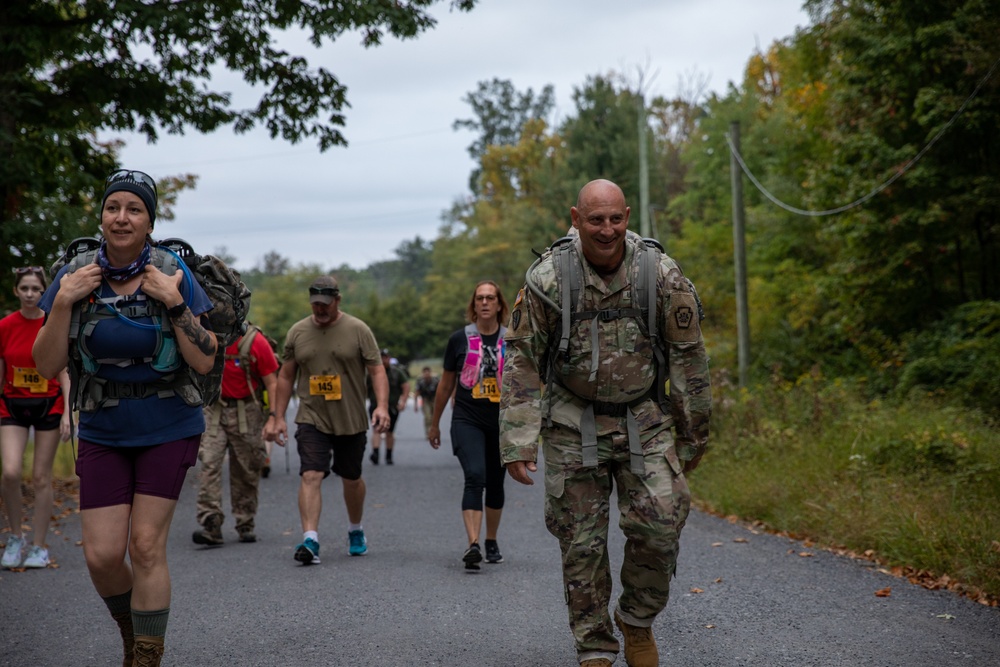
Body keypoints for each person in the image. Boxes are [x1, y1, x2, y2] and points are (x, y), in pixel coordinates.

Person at [499, 179, 712, 667]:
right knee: (581, 544)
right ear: (576, 218)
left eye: (616, 218)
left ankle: (636, 622)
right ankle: (594, 645)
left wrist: (694, 431)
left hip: (646, 418)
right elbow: (523, 360)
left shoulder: (660, 273)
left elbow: (689, 358)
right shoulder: (547, 279)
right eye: (596, 219)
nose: (607, 229)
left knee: (662, 524)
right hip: (572, 423)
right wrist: (518, 441)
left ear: (628, 215)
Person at [33, 169, 217, 667]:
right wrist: (64, 302)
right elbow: (47, 365)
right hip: (103, 426)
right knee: (101, 555)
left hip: (168, 423)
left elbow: (204, 359)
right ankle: (133, 632)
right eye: (114, 207)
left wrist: (175, 301)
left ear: (149, 221)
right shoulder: (72, 274)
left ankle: (145, 658)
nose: (122, 217)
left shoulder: (171, 269)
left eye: (134, 209)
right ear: (101, 216)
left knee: (145, 545)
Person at [263, 276, 389, 565]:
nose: (319, 310)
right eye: (315, 305)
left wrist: (382, 406)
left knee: (351, 477)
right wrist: (277, 417)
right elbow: (285, 375)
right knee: (311, 474)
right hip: (312, 416)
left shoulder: (358, 330)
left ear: (337, 301)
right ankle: (311, 539)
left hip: (350, 417)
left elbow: (377, 370)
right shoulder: (297, 332)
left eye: (325, 305)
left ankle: (355, 529)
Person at [428, 281, 510, 570]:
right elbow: (445, 385)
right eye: (480, 298)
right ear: (473, 305)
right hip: (467, 417)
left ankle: (491, 539)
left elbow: (526, 386)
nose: (485, 302)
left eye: (490, 298)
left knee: (496, 483)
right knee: (475, 475)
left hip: (501, 421)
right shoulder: (458, 340)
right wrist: (434, 424)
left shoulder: (512, 340)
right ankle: (473, 544)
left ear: (499, 304)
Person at [1, 267, 72, 569]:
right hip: (12, 406)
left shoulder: (51, 324)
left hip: (49, 405)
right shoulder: (5, 326)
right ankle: (16, 536)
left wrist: (69, 412)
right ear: (16, 291)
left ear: (45, 293)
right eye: (25, 288)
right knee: (11, 472)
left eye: (36, 289)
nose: (30, 294)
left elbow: (64, 371)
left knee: (42, 477)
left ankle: (39, 546)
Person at [192, 325, 279, 546]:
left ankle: (245, 520)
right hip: (214, 408)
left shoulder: (255, 342)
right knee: (209, 462)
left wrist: (274, 417)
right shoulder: (205, 336)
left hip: (247, 409)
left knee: (246, 466)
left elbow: (272, 382)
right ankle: (211, 521)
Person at [367, 348, 408, 465]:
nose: (383, 360)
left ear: (388, 358)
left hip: (392, 407)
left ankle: (389, 455)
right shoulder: (371, 373)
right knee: (376, 429)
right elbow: (362, 387)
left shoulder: (396, 372)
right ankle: (375, 453)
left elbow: (405, 386)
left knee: (390, 431)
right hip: (375, 406)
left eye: (385, 357)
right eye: (380, 357)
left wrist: (403, 401)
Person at [413, 366, 439, 437]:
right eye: (425, 373)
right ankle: (428, 432)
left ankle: (434, 431)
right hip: (425, 400)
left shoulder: (435, 380)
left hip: (434, 399)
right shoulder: (420, 381)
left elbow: (440, 391)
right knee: (428, 416)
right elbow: (417, 393)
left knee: (434, 417)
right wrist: (415, 405)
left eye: (428, 373)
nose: (427, 375)